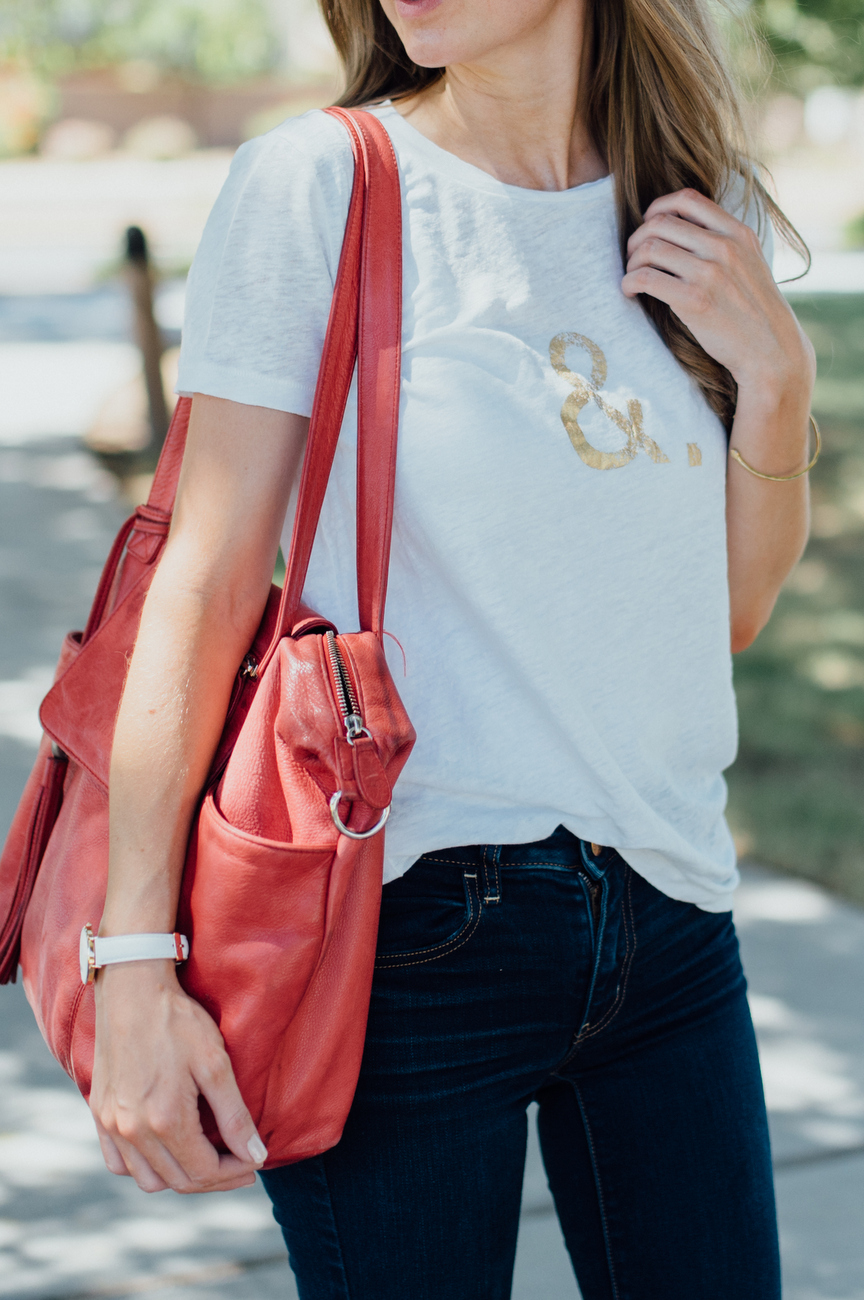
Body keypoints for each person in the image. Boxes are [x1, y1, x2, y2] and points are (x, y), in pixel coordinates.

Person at [90, 0, 816, 1296]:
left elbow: (726, 619)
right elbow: (199, 581)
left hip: (670, 917)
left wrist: (782, 385)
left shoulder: (703, 212)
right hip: (408, 936)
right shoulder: (321, 183)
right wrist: (133, 963)